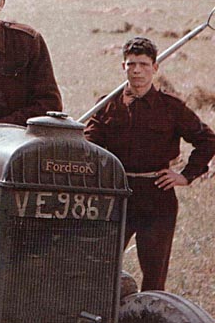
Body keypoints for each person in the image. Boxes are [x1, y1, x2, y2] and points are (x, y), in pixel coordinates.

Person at [84, 36, 215, 291]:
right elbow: (88, 146)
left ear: (155, 68)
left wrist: (186, 175)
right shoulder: (107, 104)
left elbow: (207, 140)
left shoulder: (171, 107)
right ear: (123, 66)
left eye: (143, 64)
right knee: (98, 269)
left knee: (154, 278)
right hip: (116, 196)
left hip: (157, 198)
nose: (137, 70)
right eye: (131, 64)